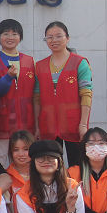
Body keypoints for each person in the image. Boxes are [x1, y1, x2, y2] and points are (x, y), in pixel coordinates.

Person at [34, 21, 92, 170]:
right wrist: (37, 126)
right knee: (51, 167)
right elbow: (37, 98)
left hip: (74, 123)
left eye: (59, 36)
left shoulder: (79, 63)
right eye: (50, 37)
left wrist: (83, 124)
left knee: (77, 167)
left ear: (67, 38)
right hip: (48, 124)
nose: (54, 40)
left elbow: (86, 94)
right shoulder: (39, 66)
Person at [0, 19, 35, 168]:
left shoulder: (30, 61)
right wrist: (8, 77)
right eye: (5, 33)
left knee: (25, 164)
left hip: (26, 123)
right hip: (2, 123)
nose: (10, 37)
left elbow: (36, 94)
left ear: (20, 37)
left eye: (14, 34)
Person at [3, 131, 35, 198]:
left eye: (25, 149)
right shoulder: (7, 175)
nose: (21, 154)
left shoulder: (42, 172)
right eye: (16, 150)